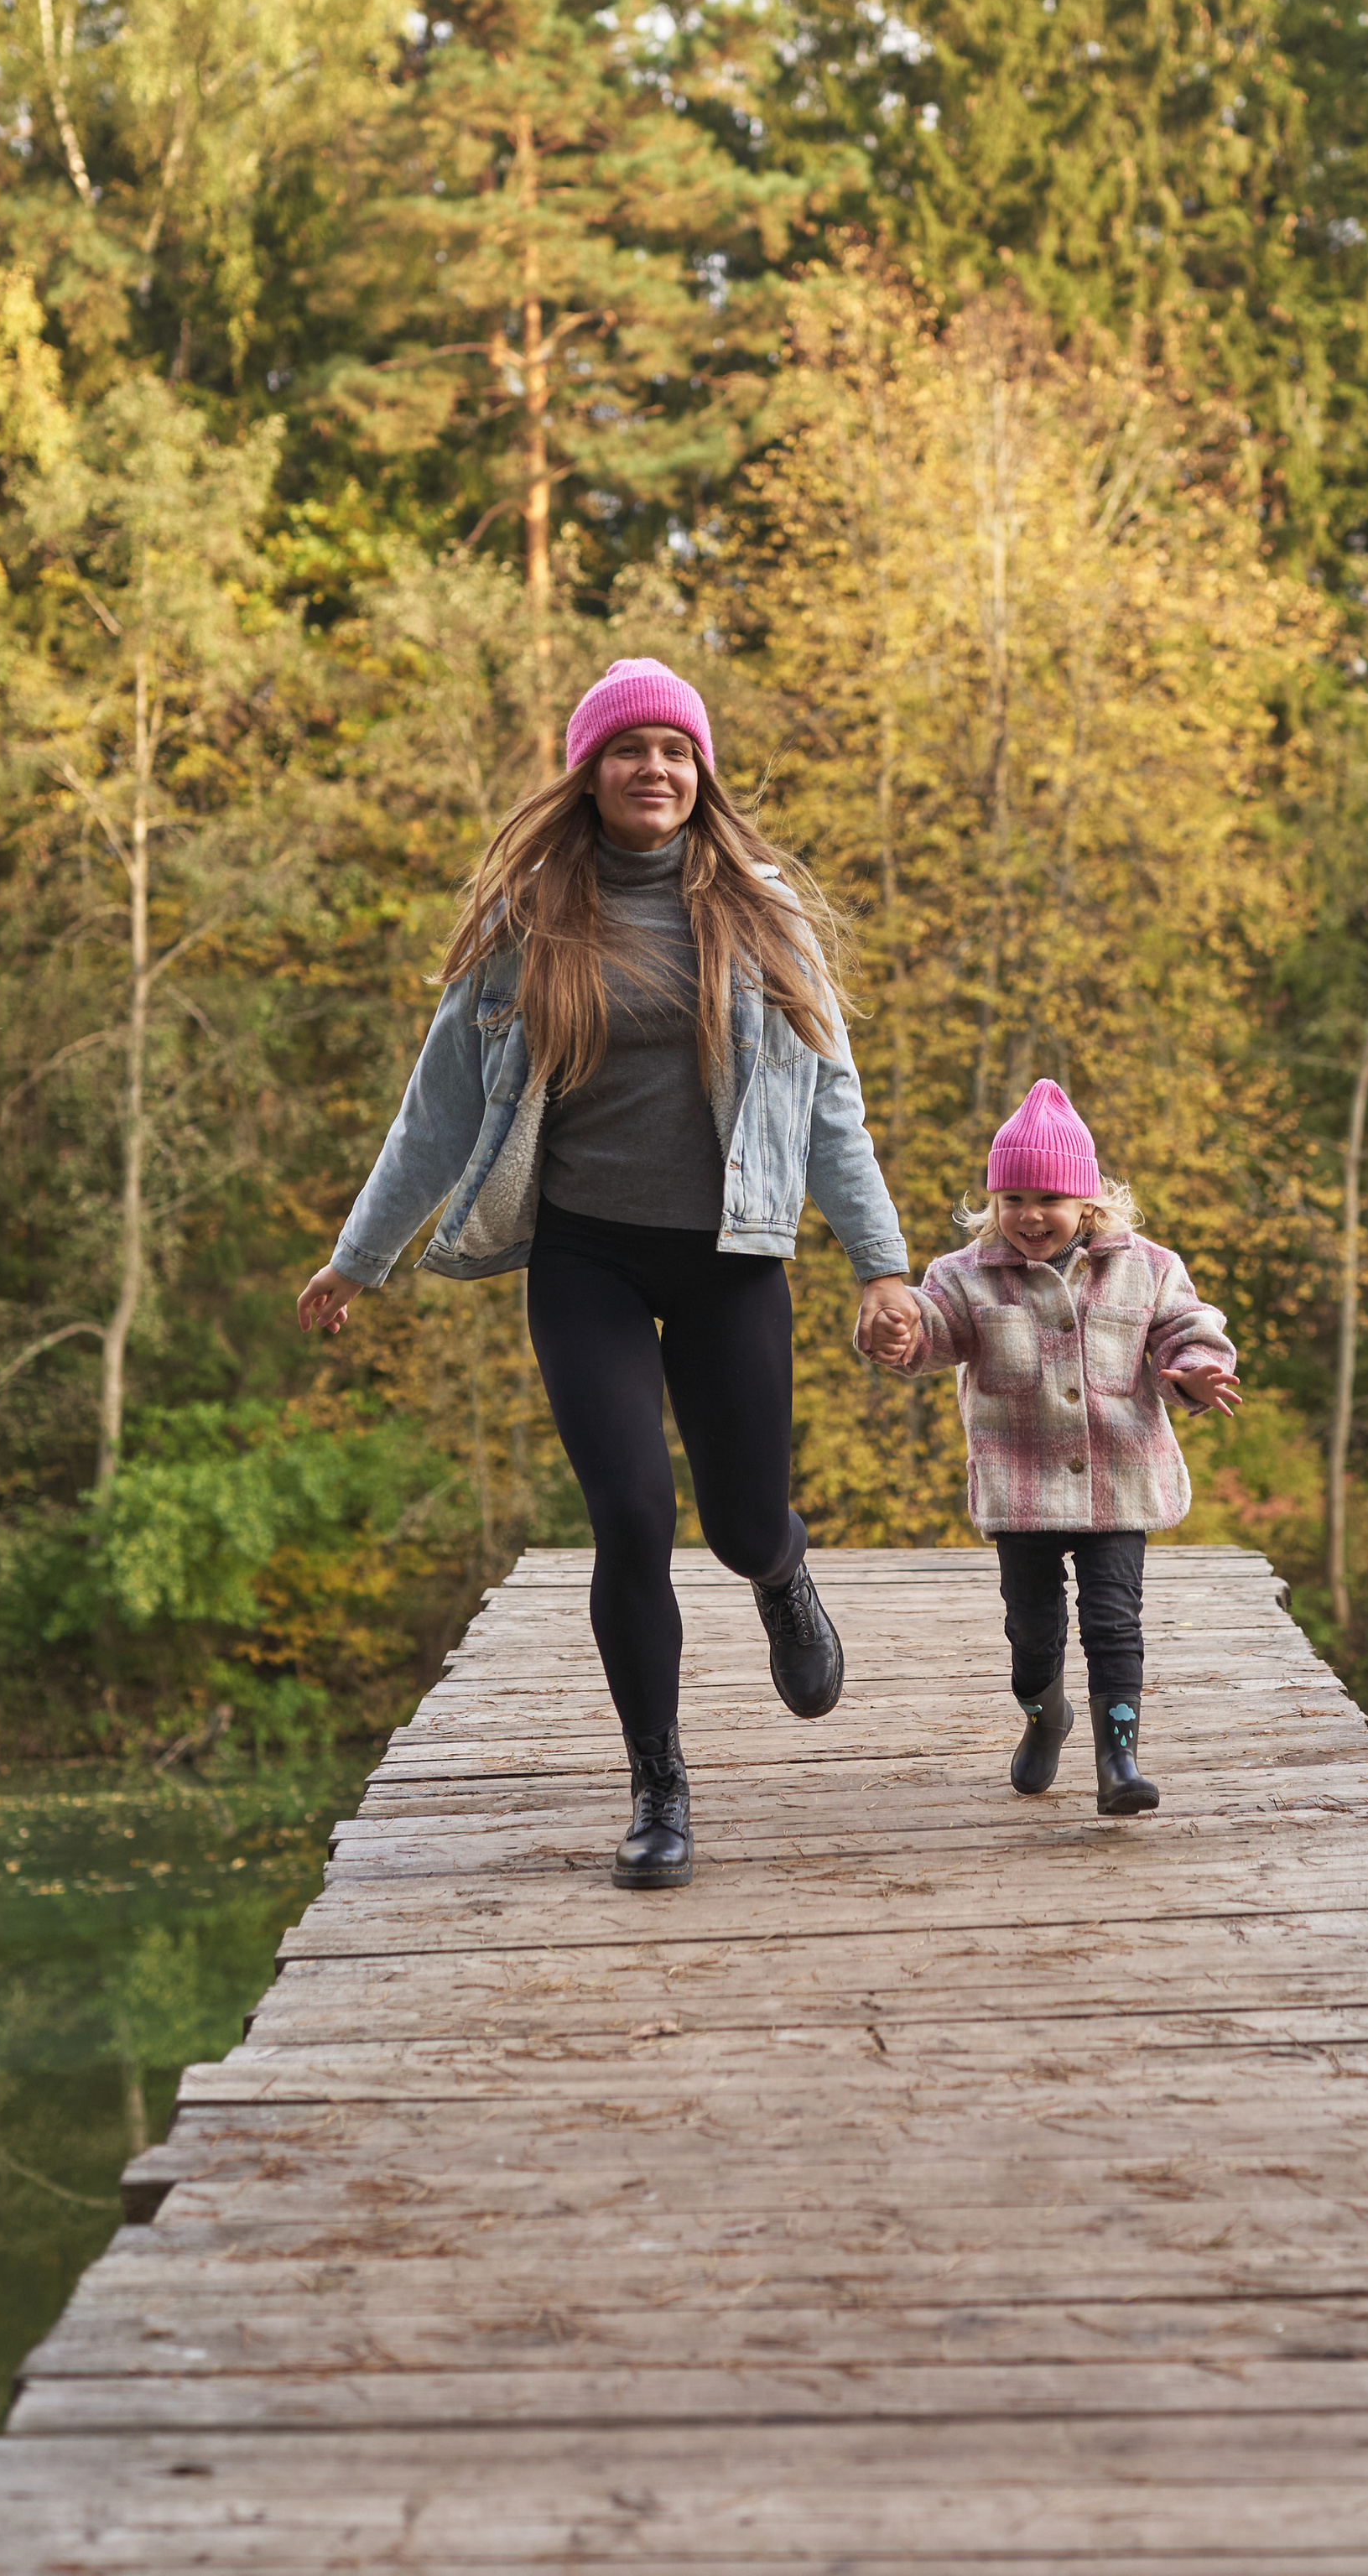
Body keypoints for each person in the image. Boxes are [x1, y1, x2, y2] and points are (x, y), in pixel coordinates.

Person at [297, 656, 920, 1892]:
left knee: (740, 1523)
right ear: (590, 775)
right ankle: (658, 1787)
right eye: (630, 751)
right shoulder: (531, 918)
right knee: (630, 1515)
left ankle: (780, 1570)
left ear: (703, 774)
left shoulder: (761, 908)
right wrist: (359, 1256)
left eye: (676, 751)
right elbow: (437, 1108)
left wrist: (881, 1265)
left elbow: (828, 1106)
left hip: (729, 1255)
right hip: (584, 1254)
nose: (655, 770)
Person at [858, 1080, 1240, 1814]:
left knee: (1112, 1619)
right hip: (1020, 1485)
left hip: (1118, 1479)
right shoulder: (963, 1276)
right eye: (1012, 1199)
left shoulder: (1150, 1268)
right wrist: (901, 1332)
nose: (1030, 1216)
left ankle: (1118, 1761)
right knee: (1033, 1632)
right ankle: (1045, 1716)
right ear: (993, 1205)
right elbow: (934, 1334)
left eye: (1049, 1200)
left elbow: (1186, 1331)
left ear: (1088, 1204)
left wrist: (1194, 1373)